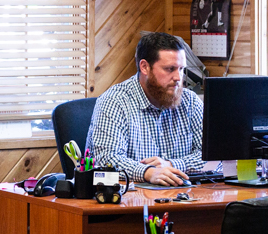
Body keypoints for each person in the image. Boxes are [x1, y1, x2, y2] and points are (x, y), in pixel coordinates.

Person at [86, 32, 202, 186]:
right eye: (170, 69)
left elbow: (215, 158)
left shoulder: (190, 101)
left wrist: (171, 165)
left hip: (183, 194)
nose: (178, 78)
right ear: (145, 67)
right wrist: (148, 172)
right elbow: (107, 159)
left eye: (181, 69)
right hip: (128, 197)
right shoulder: (114, 101)